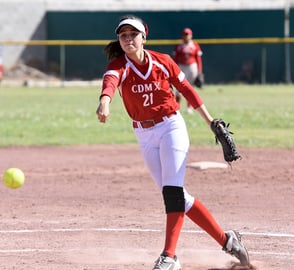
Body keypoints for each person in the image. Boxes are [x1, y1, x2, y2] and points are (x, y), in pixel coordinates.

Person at [96, 15, 250, 270]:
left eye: (133, 34)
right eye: (123, 35)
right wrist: (104, 102)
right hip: (144, 135)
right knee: (179, 197)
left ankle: (169, 256)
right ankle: (228, 240)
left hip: (171, 127)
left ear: (144, 36)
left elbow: (187, 90)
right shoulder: (118, 65)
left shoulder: (163, 62)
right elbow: (110, 83)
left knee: (173, 193)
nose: (128, 39)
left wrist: (211, 121)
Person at [173, 27, 204, 114]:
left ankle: (189, 108)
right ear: (182, 36)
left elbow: (198, 59)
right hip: (181, 67)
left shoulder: (195, 46)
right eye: (185, 35)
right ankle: (177, 107)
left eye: (188, 34)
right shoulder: (179, 47)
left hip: (192, 66)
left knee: (189, 88)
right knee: (178, 87)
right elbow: (175, 59)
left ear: (191, 35)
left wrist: (199, 71)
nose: (186, 36)